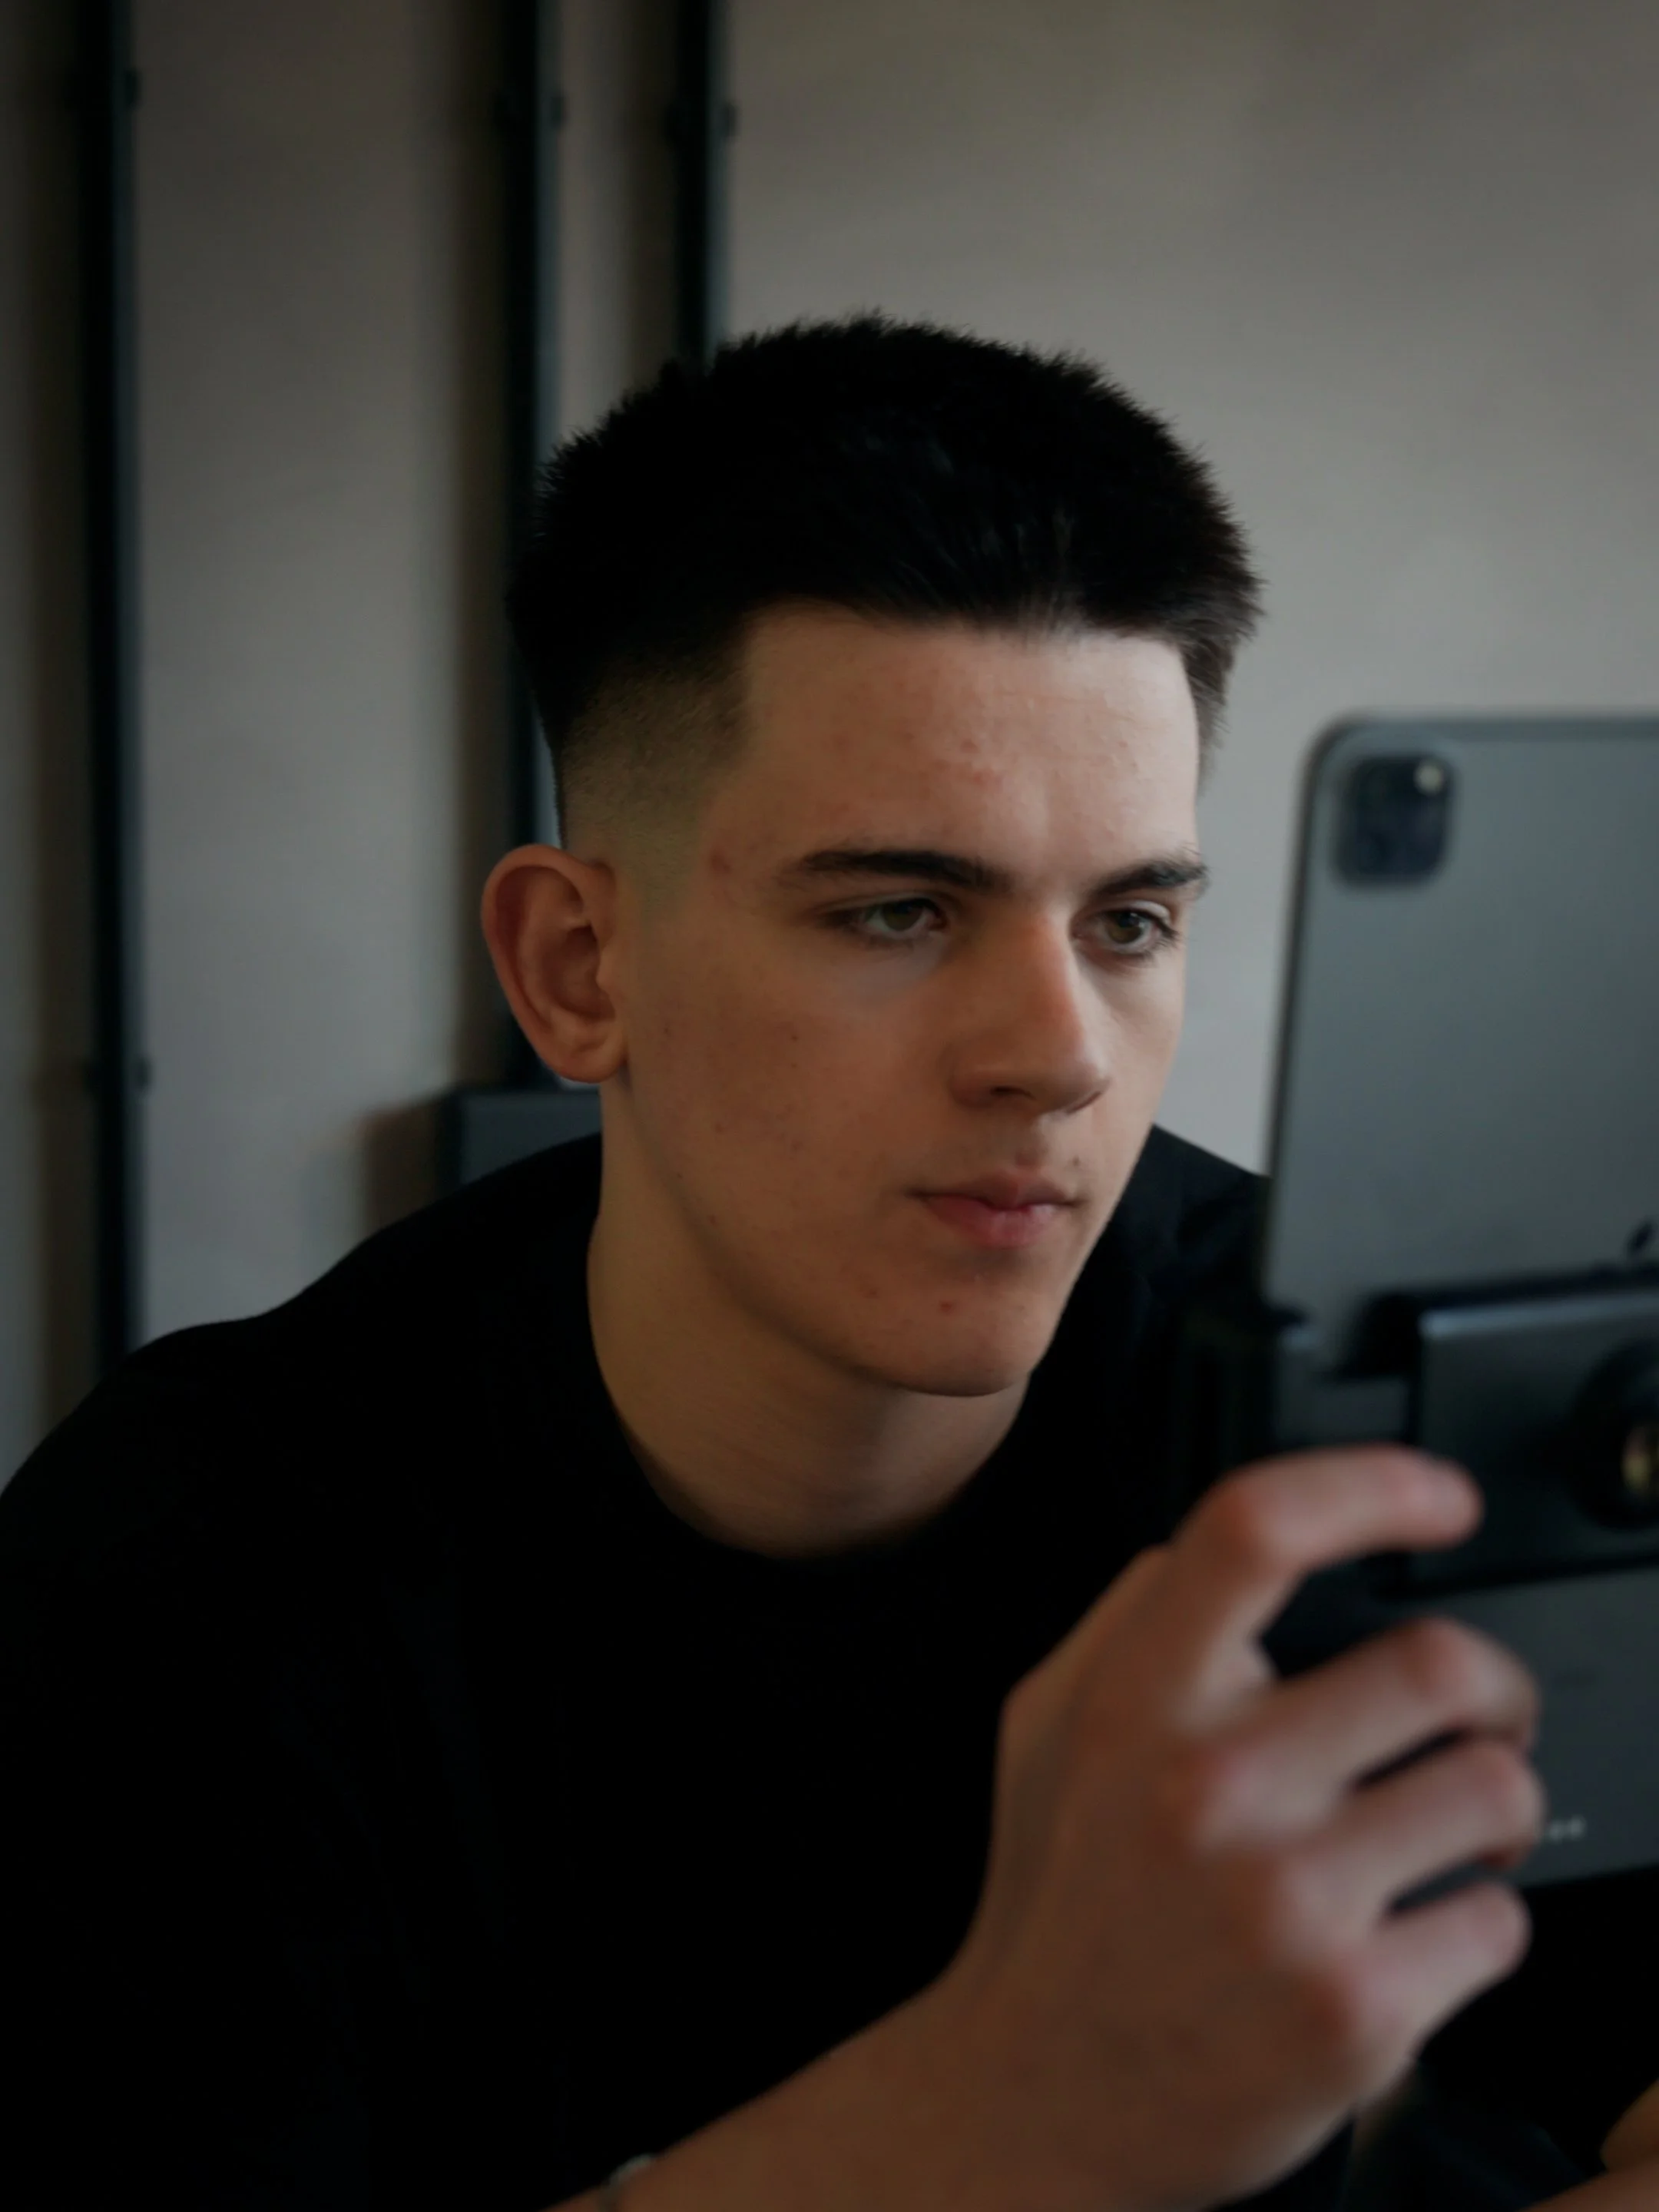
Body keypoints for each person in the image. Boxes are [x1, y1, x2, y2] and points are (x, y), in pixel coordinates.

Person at [4, 316, 1657, 2212]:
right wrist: (1004, 2111)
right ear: (578, 969)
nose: (1055, 1053)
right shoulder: (187, 1567)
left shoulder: (1360, 1415)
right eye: (898, 908)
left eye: (1129, 919)